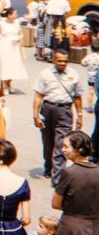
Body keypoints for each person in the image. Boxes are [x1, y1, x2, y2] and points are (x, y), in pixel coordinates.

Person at [32, 49, 85, 183]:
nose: (62, 63)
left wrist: (80, 115)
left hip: (65, 110)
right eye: (60, 61)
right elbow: (38, 95)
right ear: (54, 60)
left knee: (62, 143)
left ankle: (58, 179)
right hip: (47, 109)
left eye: (65, 61)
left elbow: (78, 96)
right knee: (48, 141)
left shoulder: (73, 74)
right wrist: (35, 115)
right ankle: (48, 166)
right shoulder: (45, 74)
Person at [52, 131, 99, 234]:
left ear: (78, 150)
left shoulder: (69, 173)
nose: (63, 149)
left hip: (71, 227)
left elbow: (56, 203)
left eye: (66, 147)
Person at [0, 8, 28, 94]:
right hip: (4, 46)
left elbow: (21, 34)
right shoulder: (2, 23)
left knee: (13, 65)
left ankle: (10, 84)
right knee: (5, 66)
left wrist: (18, 38)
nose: (16, 15)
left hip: (14, 47)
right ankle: (4, 85)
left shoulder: (17, 23)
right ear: (9, 15)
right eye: (14, 14)